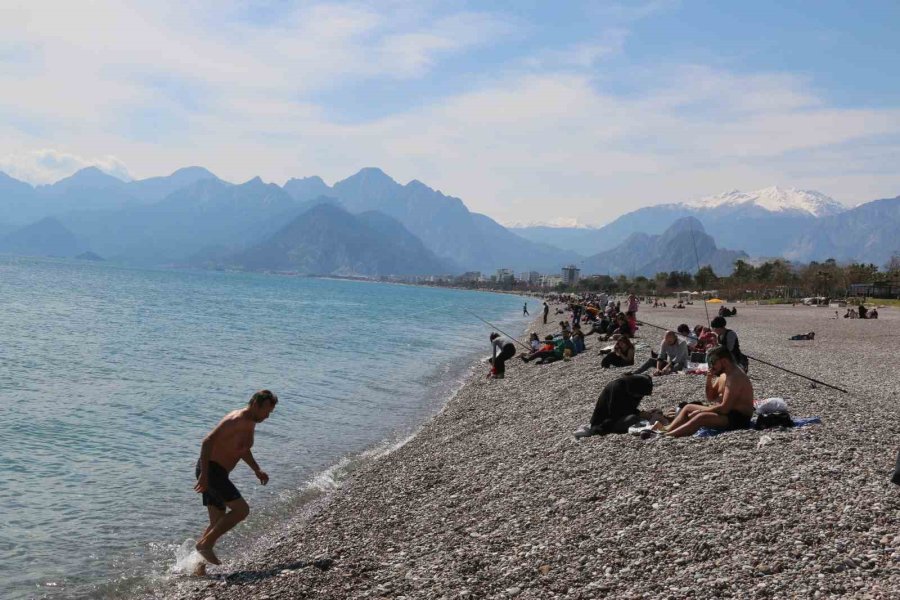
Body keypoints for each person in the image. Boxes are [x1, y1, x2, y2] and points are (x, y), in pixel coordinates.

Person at [194, 390, 278, 566]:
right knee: (241, 510)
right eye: (267, 411)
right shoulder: (236, 420)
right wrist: (204, 476)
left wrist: (256, 469)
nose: (267, 417)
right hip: (211, 471)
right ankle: (205, 546)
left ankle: (196, 565)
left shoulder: (250, 421)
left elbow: (242, 449)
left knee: (217, 523)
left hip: (217, 473)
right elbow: (207, 442)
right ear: (256, 404)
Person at [651, 347, 754, 437]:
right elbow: (711, 397)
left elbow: (725, 408)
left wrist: (702, 411)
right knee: (688, 407)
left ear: (724, 361)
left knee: (701, 417)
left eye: (713, 363)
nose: (711, 367)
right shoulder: (725, 374)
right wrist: (709, 377)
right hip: (728, 414)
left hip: (738, 419)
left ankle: (667, 435)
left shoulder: (735, 377)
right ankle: (666, 429)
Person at [574, 374, 654, 438]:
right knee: (632, 419)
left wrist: (641, 413)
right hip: (605, 422)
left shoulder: (630, 386)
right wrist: (638, 414)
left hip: (619, 417)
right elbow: (615, 413)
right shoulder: (617, 388)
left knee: (650, 414)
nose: (640, 397)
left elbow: (629, 408)